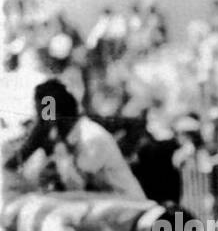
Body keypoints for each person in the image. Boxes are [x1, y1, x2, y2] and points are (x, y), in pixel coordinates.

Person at [5, 79, 145, 198]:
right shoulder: (66, 138)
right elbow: (11, 167)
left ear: (55, 114)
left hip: (131, 213)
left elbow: (75, 188)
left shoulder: (91, 138)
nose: (38, 122)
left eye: (40, 114)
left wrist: (55, 144)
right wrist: (32, 143)